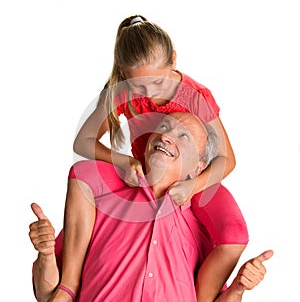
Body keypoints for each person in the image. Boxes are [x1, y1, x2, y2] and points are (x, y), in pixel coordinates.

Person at [29, 112, 268, 302]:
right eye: (163, 128)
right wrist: (46, 255)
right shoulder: (99, 205)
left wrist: (237, 289)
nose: (166, 136)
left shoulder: (201, 234)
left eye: (183, 136)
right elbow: (47, 294)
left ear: (198, 168)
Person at [73, 14, 236, 205]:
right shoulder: (123, 92)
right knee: (81, 178)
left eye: (158, 82)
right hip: (145, 180)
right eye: (139, 86)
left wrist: (193, 187)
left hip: (188, 182)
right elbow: (83, 141)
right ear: (123, 72)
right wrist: (124, 162)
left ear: (173, 60)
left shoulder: (195, 97)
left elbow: (227, 159)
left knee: (227, 222)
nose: (149, 93)